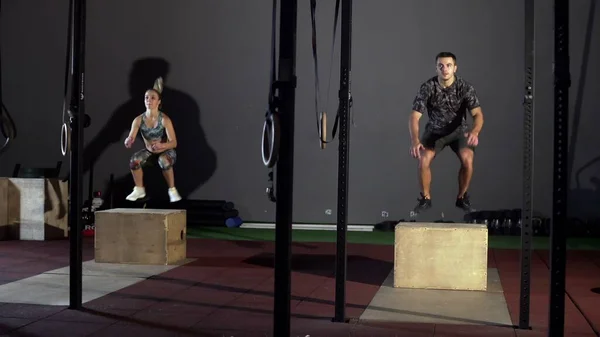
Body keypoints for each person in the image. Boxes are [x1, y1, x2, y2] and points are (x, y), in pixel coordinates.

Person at [408, 52, 484, 213]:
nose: (445, 69)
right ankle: (425, 198)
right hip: (435, 132)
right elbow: (414, 117)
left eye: (448, 65)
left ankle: (462, 197)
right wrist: (415, 140)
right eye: (441, 66)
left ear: (455, 68)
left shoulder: (465, 87)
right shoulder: (428, 87)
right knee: (423, 160)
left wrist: (475, 132)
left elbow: (478, 115)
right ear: (436, 68)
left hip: (459, 132)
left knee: (468, 160)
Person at [123, 77, 182, 202]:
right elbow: (131, 136)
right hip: (149, 152)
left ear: (159, 102)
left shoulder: (164, 119)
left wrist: (162, 146)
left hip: (165, 151)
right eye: (146, 98)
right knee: (134, 161)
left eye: (152, 98)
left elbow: (174, 143)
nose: (149, 100)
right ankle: (139, 189)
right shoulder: (139, 120)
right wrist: (129, 140)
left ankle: (172, 190)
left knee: (164, 161)